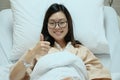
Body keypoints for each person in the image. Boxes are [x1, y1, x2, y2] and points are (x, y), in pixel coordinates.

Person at [9, 3, 111, 80]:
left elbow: (100, 75)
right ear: (46, 25)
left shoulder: (81, 50)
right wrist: (32, 52)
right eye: (52, 23)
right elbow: (14, 77)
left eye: (61, 22)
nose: (57, 27)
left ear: (68, 24)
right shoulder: (38, 50)